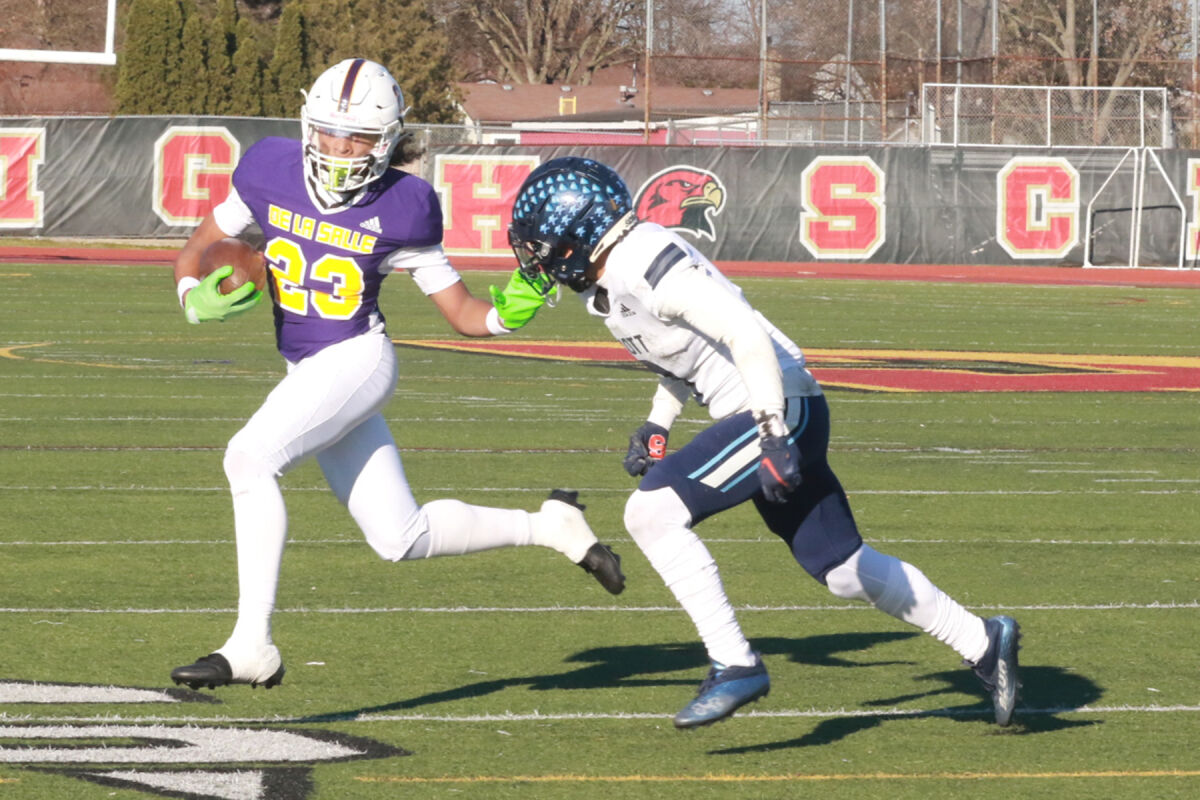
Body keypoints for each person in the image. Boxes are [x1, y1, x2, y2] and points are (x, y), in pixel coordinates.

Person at [506, 156, 1020, 729]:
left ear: (576, 231)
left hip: (776, 406)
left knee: (650, 513)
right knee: (842, 567)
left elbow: (742, 331)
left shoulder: (643, 261)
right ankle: (982, 640)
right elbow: (689, 354)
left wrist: (773, 431)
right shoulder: (611, 277)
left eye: (541, 245)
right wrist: (659, 422)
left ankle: (734, 663)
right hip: (772, 406)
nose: (537, 259)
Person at [168, 60, 624, 691]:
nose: (338, 148)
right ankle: (550, 526)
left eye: (356, 138)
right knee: (400, 536)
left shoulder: (405, 205)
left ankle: (251, 645)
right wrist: (191, 294)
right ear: (308, 125)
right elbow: (196, 250)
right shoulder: (268, 167)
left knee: (248, 458)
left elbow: (462, 314)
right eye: (328, 132)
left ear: (385, 142)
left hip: (358, 359)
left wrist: (506, 315)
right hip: (309, 370)